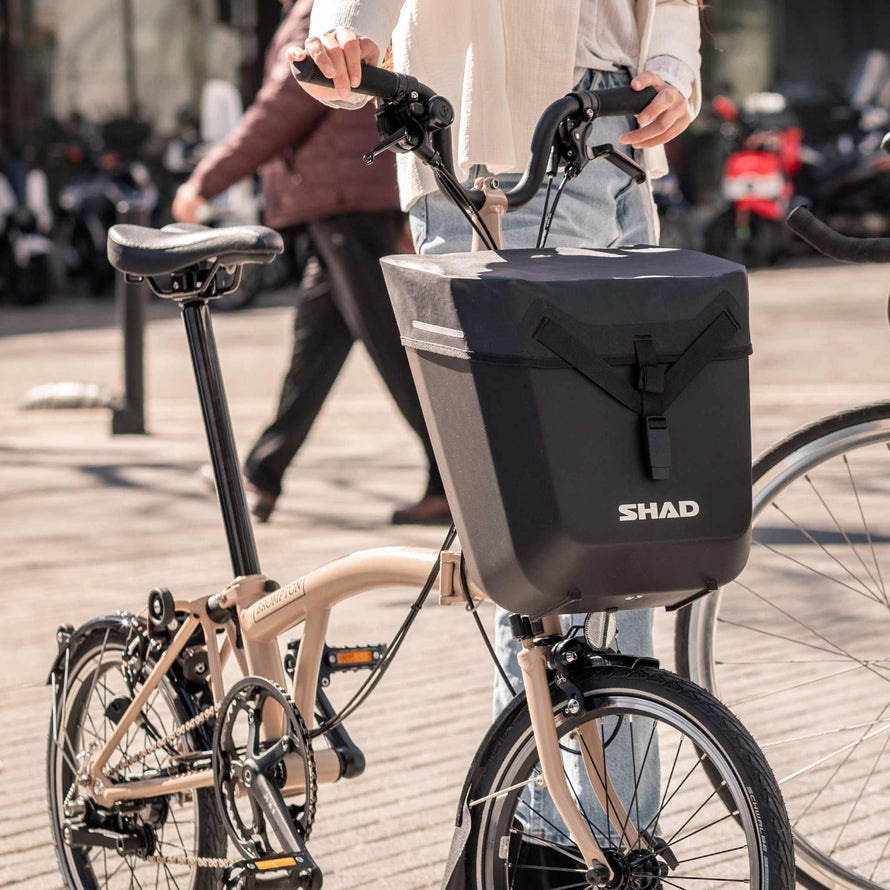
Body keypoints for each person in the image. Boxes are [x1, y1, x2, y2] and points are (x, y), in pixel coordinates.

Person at [289, 0, 702, 867]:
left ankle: (567, 843)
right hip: (503, 152)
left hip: (620, 143)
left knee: (622, 529)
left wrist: (672, 62)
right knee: (562, 544)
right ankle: (564, 844)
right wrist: (339, 28)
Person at [173, 0, 450, 525]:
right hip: (342, 203)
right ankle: (263, 471)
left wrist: (203, 183)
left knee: (392, 346)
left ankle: (457, 474)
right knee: (315, 346)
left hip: (350, 203)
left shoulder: (320, 14)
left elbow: (279, 110)